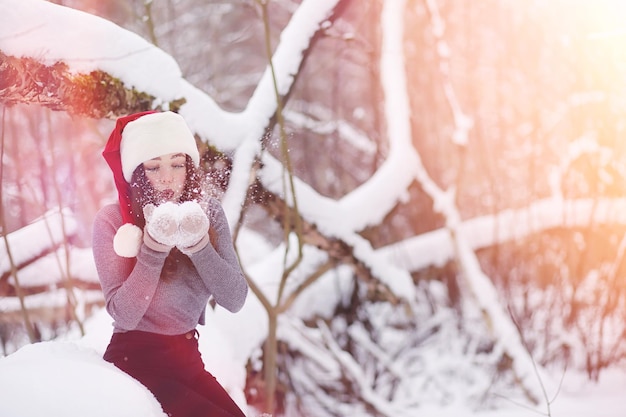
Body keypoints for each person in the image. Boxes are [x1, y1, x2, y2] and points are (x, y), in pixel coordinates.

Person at [92, 110, 249, 417]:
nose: (167, 177)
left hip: (188, 359)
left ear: (189, 168)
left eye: (177, 164)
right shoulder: (113, 222)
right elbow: (123, 314)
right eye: (154, 166)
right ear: (137, 173)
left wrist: (199, 246)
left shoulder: (208, 213)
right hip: (135, 362)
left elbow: (235, 299)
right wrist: (152, 249)